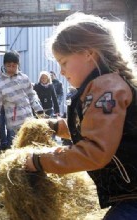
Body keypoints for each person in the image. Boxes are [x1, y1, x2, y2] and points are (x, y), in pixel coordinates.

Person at [25, 12, 137, 219]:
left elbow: (95, 150)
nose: (61, 71)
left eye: (64, 62)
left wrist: (40, 161)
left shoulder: (108, 88)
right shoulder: (103, 86)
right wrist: (54, 126)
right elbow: (97, 127)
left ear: (88, 53)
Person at [0, 50, 43, 141]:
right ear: (4, 65)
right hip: (14, 124)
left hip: (29, 120)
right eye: (8, 66)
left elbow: (31, 95)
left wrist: (39, 110)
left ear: (18, 65)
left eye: (14, 66)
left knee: (32, 146)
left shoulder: (24, 78)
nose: (11, 68)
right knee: (17, 146)